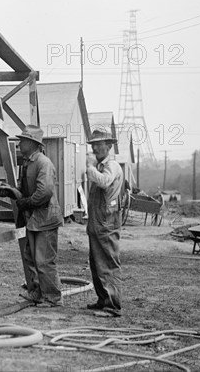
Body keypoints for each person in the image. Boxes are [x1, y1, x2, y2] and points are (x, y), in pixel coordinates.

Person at [0, 125, 64, 307]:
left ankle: (52, 298)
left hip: (46, 218)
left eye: (23, 140)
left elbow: (44, 192)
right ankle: (38, 293)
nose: (19, 143)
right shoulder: (27, 163)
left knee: (44, 260)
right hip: (35, 219)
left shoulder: (43, 163)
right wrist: (8, 192)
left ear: (33, 144)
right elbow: (24, 191)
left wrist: (25, 203)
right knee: (32, 257)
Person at [85, 129, 124, 317]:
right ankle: (103, 299)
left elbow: (105, 182)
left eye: (99, 144)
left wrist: (89, 167)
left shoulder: (112, 165)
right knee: (96, 263)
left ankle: (112, 305)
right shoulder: (100, 166)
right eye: (93, 144)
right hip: (97, 223)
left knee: (107, 263)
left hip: (107, 223)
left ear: (109, 146)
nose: (95, 148)